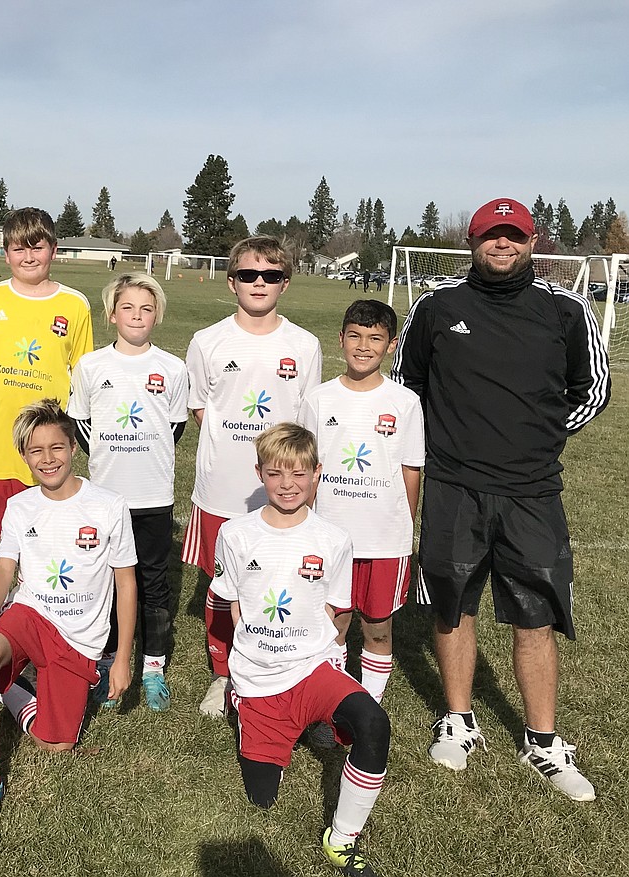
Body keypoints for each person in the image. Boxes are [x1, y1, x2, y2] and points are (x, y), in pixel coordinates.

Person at [393, 197, 610, 802]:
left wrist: (539, 438)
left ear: (532, 243)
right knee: (451, 606)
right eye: (492, 236)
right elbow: (408, 386)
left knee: (534, 616)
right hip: (454, 486)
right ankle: (458, 720)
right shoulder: (437, 306)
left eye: (514, 237)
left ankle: (543, 739)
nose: (503, 245)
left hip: (532, 492)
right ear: (473, 243)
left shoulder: (565, 310)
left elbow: (593, 387)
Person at [213, 423, 390, 877]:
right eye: (275, 474)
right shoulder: (235, 535)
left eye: (298, 474)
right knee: (262, 798)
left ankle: (343, 837)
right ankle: (269, 727)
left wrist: (329, 656)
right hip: (258, 680)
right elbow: (232, 603)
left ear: (317, 474)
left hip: (313, 669)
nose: (287, 485)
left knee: (373, 722)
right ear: (259, 473)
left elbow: (339, 609)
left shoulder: (333, 538)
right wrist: (247, 660)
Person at [0, 399, 137, 833]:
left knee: (55, 743)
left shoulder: (109, 506)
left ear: (73, 446)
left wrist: (124, 657)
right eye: (36, 451)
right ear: (24, 456)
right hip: (30, 616)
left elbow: (126, 583)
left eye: (56, 447)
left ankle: (13, 692)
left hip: (80, 639)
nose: (47, 458)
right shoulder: (21, 506)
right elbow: (4, 567)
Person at [183, 236, 321, 717]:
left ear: (285, 282)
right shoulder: (208, 341)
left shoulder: (304, 345)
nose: (258, 283)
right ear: (231, 281)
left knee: (278, 583)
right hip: (221, 491)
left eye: (270, 275)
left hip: (282, 493)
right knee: (224, 588)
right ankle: (223, 676)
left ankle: (278, 668)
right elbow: (200, 407)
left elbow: (306, 421)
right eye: (248, 275)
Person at [0, 208, 93, 602]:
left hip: (47, 447)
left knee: (44, 542)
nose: (29, 256)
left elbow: (82, 371)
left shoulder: (75, 305)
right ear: (6, 253)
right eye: (19, 248)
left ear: (53, 250)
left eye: (37, 247)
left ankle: (35, 626)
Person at [69, 273, 189, 711]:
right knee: (105, 582)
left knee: (153, 582)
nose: (137, 316)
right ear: (112, 314)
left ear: (157, 315)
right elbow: (81, 422)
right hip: (106, 498)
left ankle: (153, 667)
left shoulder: (173, 368)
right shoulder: (92, 366)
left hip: (153, 496)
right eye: (128, 308)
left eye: (146, 308)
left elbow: (174, 426)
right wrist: (109, 459)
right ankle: (105, 663)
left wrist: (144, 457)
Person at [300, 300, 424, 703]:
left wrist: (402, 525)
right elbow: (306, 469)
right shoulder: (318, 400)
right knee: (333, 623)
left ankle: (369, 705)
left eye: (375, 338)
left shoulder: (404, 402)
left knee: (378, 626)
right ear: (341, 339)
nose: (363, 346)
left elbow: (411, 469)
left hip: (384, 539)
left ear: (391, 346)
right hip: (331, 537)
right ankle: (332, 704)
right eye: (355, 335)